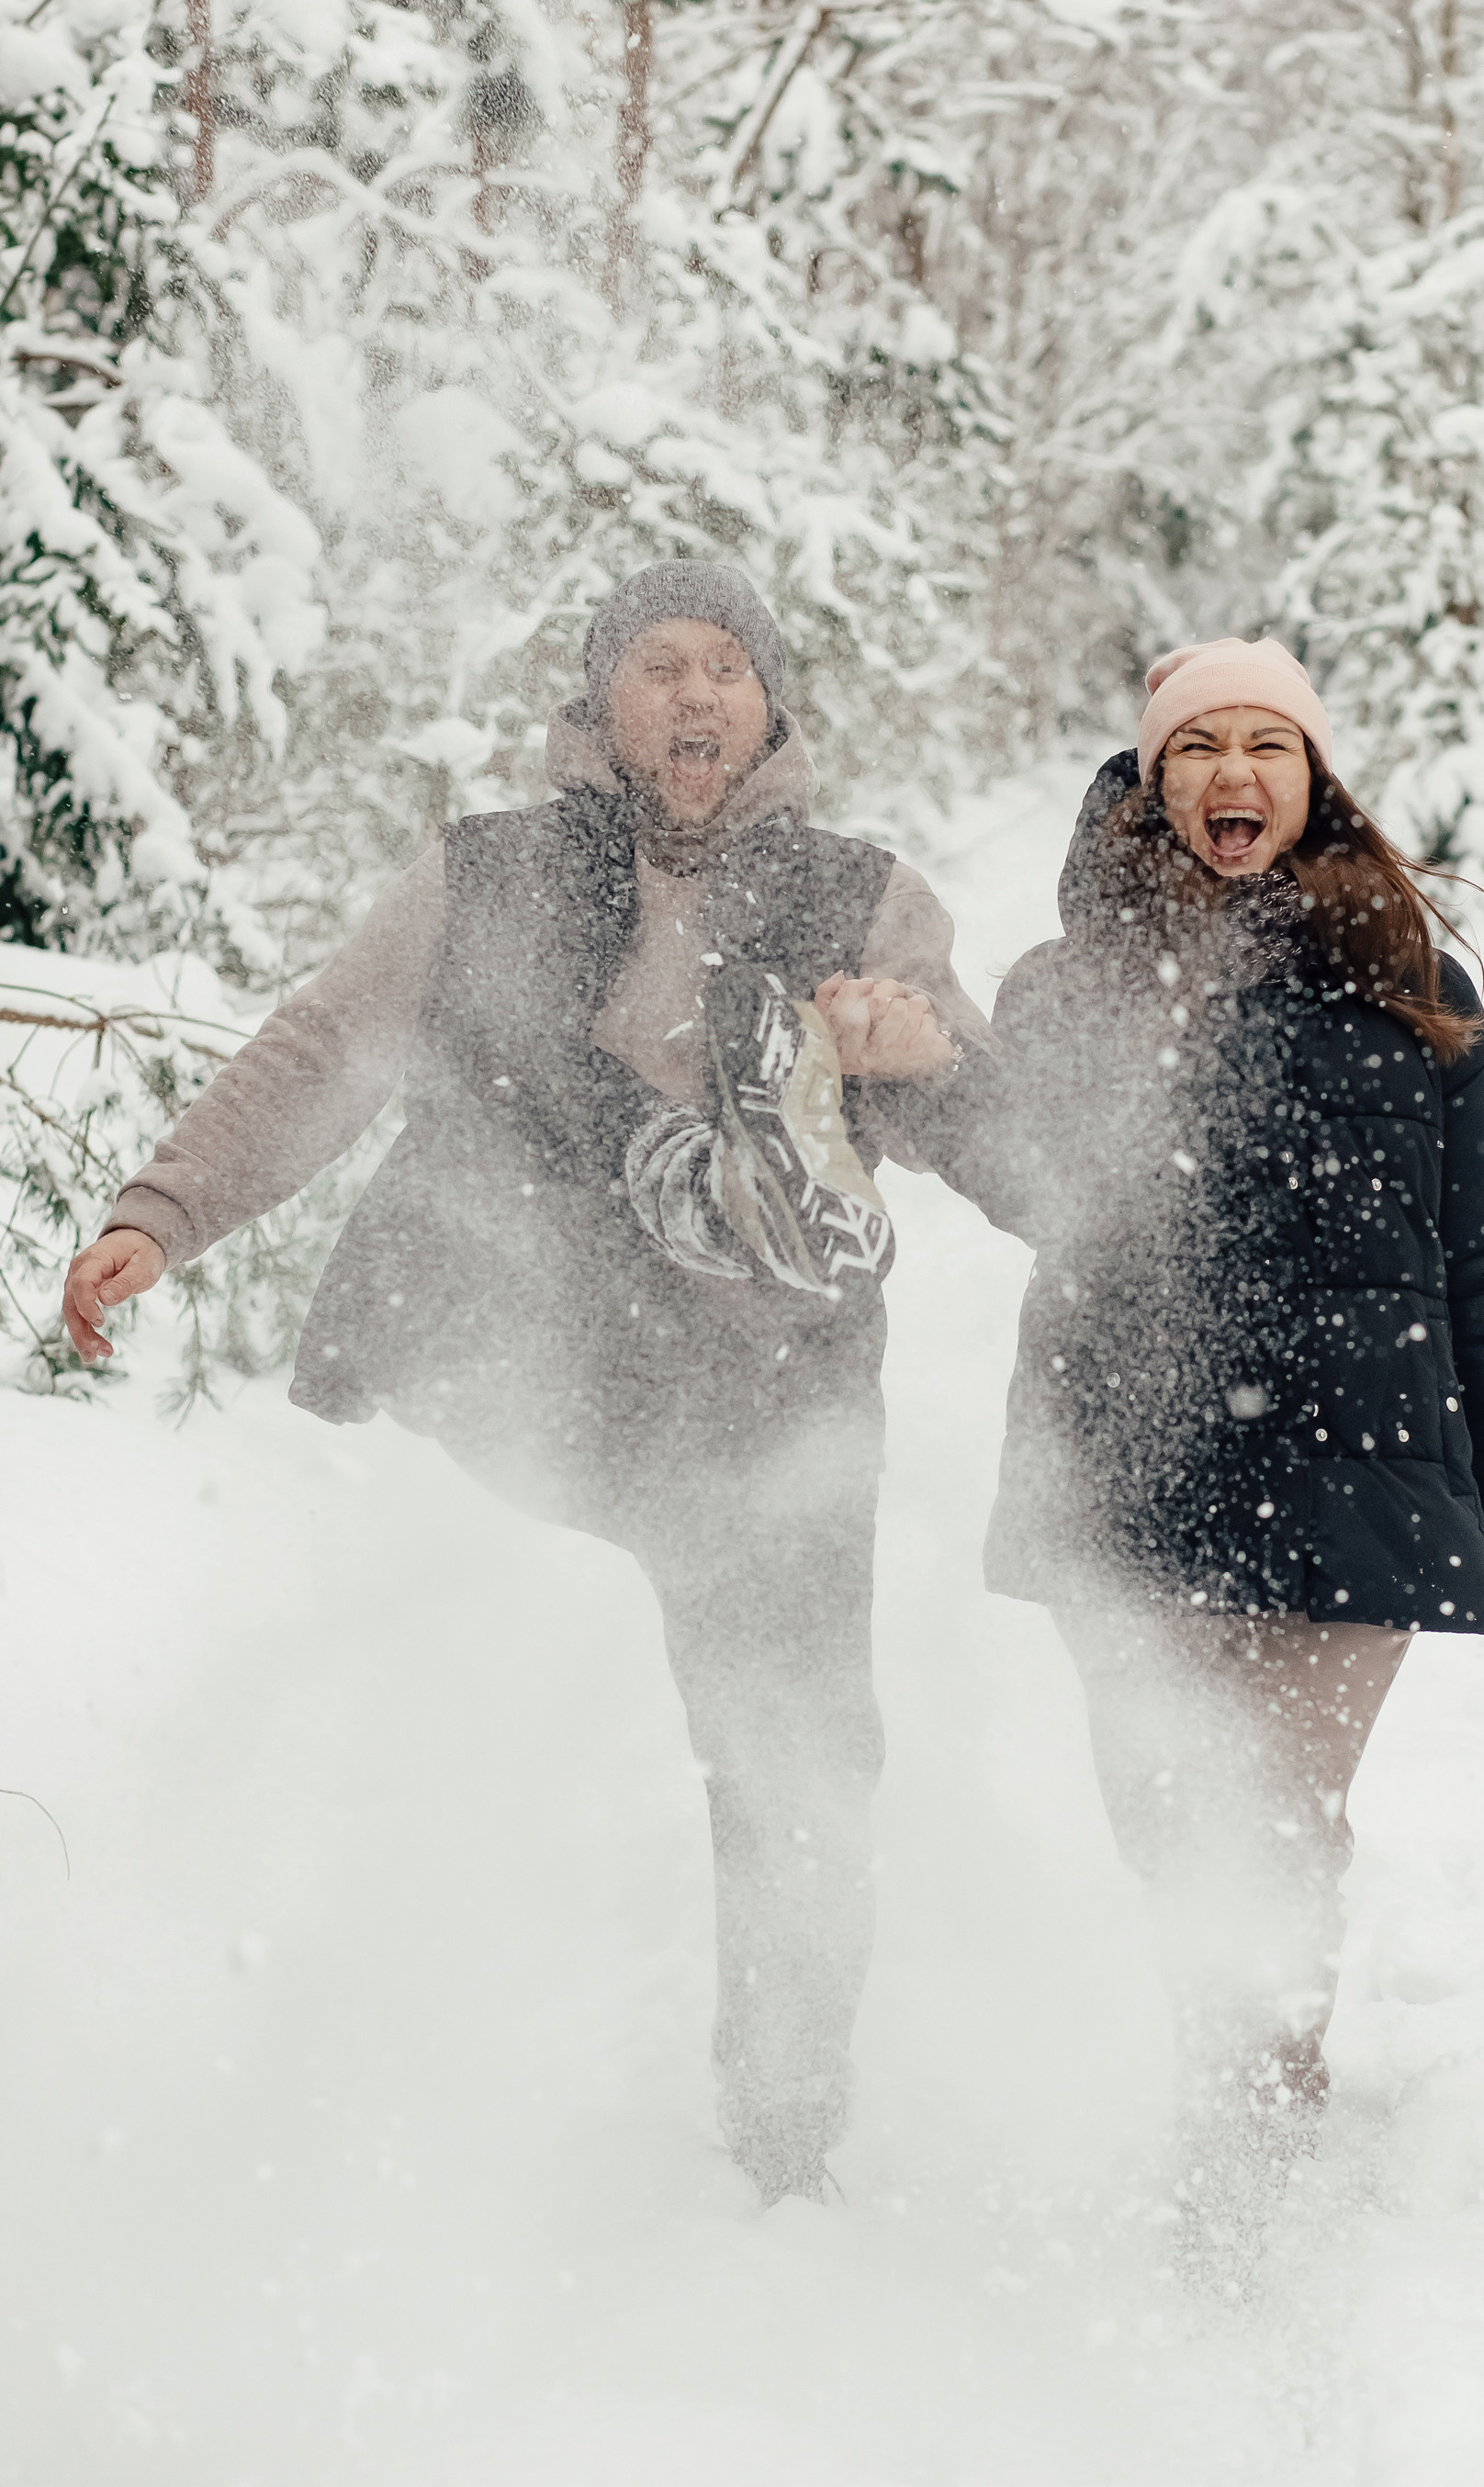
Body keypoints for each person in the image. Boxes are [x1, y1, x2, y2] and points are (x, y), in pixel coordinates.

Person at [61, 563, 988, 2206]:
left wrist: (917, 1058)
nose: (695, 695)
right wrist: (167, 1210)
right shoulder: (489, 871)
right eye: (656, 665)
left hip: (773, 1385)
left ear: (773, 709)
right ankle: (385, 2093)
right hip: (529, 1358)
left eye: (727, 667)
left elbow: (983, 1114)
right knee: (476, 1698)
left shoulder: (864, 895)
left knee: (800, 1753)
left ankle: (785, 2134)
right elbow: (323, 1046)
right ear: (598, 704)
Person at [961, 636, 1484, 2283]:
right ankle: (1231, 2095)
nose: (1235, 774)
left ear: (1314, 781)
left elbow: (1483, 1280)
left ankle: (1248, 2166)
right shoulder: (1070, 986)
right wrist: (897, 1076)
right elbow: (1007, 1173)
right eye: (1199, 747)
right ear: (1156, 786)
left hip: (1358, 1478)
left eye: (1269, 745)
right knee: (1173, 1829)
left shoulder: (1421, 991)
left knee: (1280, 1830)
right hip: (1126, 1470)